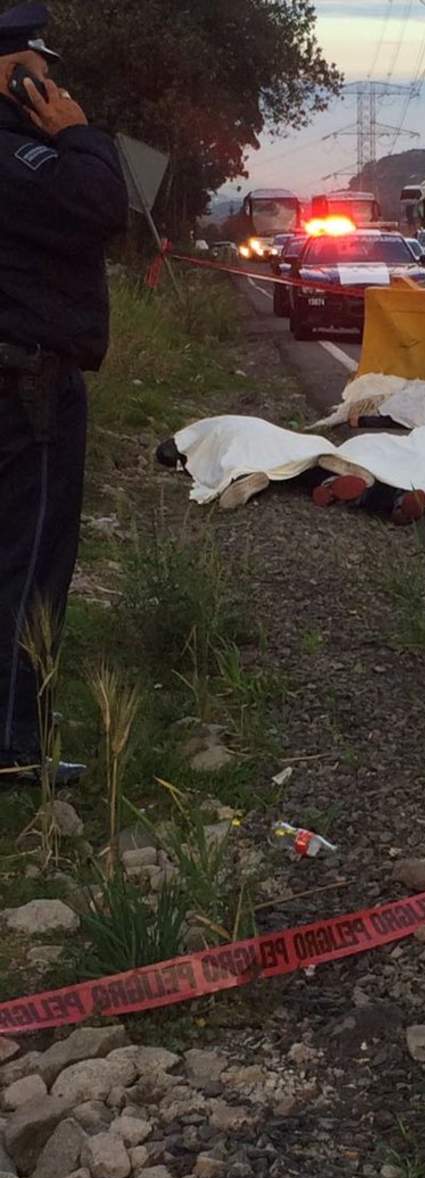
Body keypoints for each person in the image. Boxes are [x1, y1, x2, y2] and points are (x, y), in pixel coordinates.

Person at [0, 2, 128, 786]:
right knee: (32, 563)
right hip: (27, 388)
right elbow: (101, 207)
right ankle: (15, 747)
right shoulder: (22, 157)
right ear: (15, 73)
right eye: (39, 68)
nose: (52, 82)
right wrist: (78, 132)